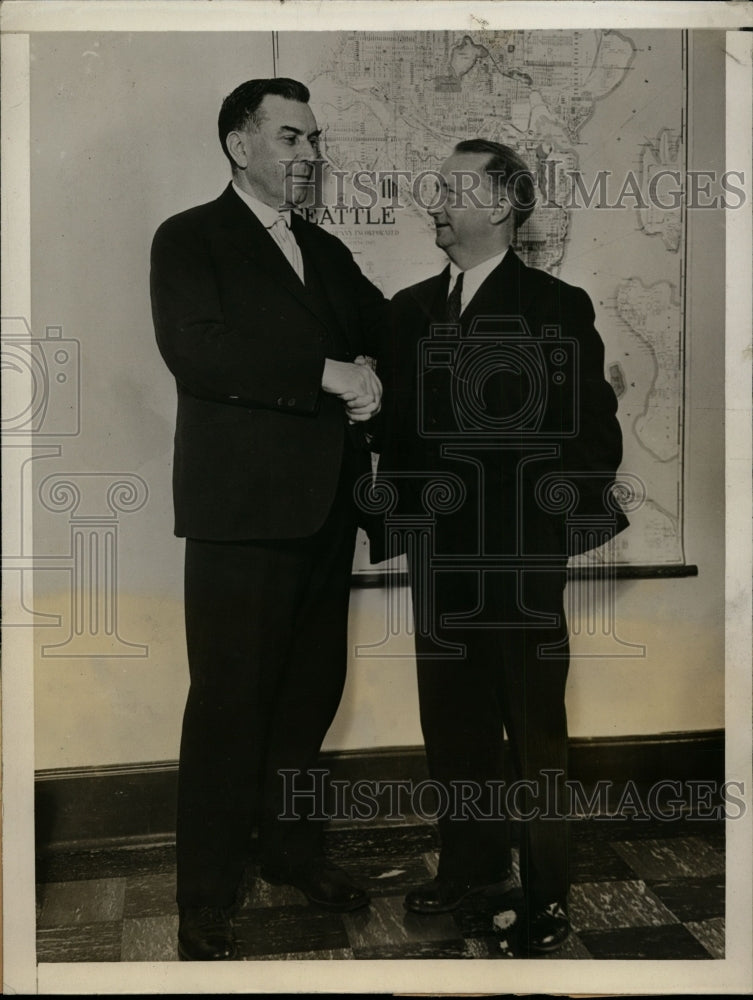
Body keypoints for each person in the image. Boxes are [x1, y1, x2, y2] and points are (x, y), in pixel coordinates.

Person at [150, 78, 387, 961]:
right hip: (241, 518)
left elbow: (380, 332)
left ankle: (289, 855)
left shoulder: (322, 251)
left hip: (326, 514)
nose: (308, 155)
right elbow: (197, 349)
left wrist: (376, 369)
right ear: (238, 144)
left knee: (304, 702)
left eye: (313, 140)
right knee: (226, 710)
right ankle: (205, 900)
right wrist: (329, 371)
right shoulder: (189, 238)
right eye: (291, 137)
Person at [373, 139, 627, 954]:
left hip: (517, 561)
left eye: (450, 188)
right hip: (437, 561)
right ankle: (471, 867)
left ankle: (547, 892)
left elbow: (591, 439)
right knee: (451, 724)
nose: (434, 202)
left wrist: (541, 533)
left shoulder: (556, 305)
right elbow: (399, 437)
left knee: (531, 728)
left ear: (501, 206)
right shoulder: (407, 309)